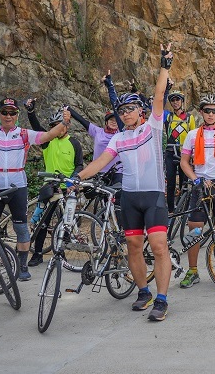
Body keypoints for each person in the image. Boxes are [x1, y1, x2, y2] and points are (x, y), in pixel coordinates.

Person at [76, 44, 173, 321]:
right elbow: (101, 162)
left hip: (153, 195)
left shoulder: (152, 127)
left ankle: (162, 299)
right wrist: (78, 177)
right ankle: (144, 292)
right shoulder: (119, 137)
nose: (126, 112)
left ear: (141, 111)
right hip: (129, 198)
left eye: (131, 108)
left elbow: (157, 96)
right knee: (132, 246)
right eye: (122, 109)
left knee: (158, 245)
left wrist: (164, 67)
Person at [0, 98, 70, 281]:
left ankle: (22, 266)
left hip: (17, 187)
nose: (8, 116)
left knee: (21, 228)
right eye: (4, 112)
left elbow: (47, 136)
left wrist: (65, 122)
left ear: (17, 115)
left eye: (12, 112)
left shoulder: (23, 134)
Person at [178, 93, 215, 288]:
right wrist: (195, 179)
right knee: (194, 230)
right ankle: (193, 271)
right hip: (199, 185)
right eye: (207, 111)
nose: (211, 114)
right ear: (201, 112)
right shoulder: (193, 135)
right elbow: (184, 162)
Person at [25, 104, 84, 267]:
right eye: (53, 127)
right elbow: (36, 127)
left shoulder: (74, 143)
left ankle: (61, 253)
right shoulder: (47, 141)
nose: (56, 129)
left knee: (66, 223)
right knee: (43, 222)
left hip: (67, 188)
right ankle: (37, 254)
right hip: (49, 187)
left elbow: (79, 164)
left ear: (67, 126)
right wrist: (31, 112)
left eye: (59, 125)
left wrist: (73, 180)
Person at [163, 90, 196, 215]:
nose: (175, 102)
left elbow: (193, 136)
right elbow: (158, 109)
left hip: (184, 153)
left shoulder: (189, 118)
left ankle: (183, 209)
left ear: (182, 101)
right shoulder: (168, 116)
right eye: (173, 100)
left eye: (178, 100)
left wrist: (193, 154)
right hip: (171, 151)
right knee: (170, 182)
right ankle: (171, 210)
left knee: (184, 182)